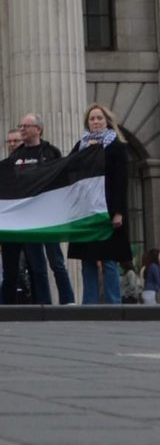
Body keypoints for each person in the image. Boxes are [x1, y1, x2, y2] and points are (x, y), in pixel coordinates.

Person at [68, 103, 132, 304]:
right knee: (86, 260)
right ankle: (89, 304)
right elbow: (67, 169)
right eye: (92, 119)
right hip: (85, 212)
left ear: (107, 121)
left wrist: (118, 212)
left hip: (108, 210)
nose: (95, 122)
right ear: (87, 123)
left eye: (99, 118)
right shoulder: (80, 146)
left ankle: (114, 304)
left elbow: (121, 180)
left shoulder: (117, 147)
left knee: (109, 260)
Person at [3, 113, 59, 304]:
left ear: (38, 129)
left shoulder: (50, 152)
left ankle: (43, 306)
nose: (22, 130)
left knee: (38, 267)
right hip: (13, 219)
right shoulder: (15, 155)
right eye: (21, 126)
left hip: (36, 219)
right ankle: (6, 308)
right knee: (9, 269)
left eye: (26, 126)